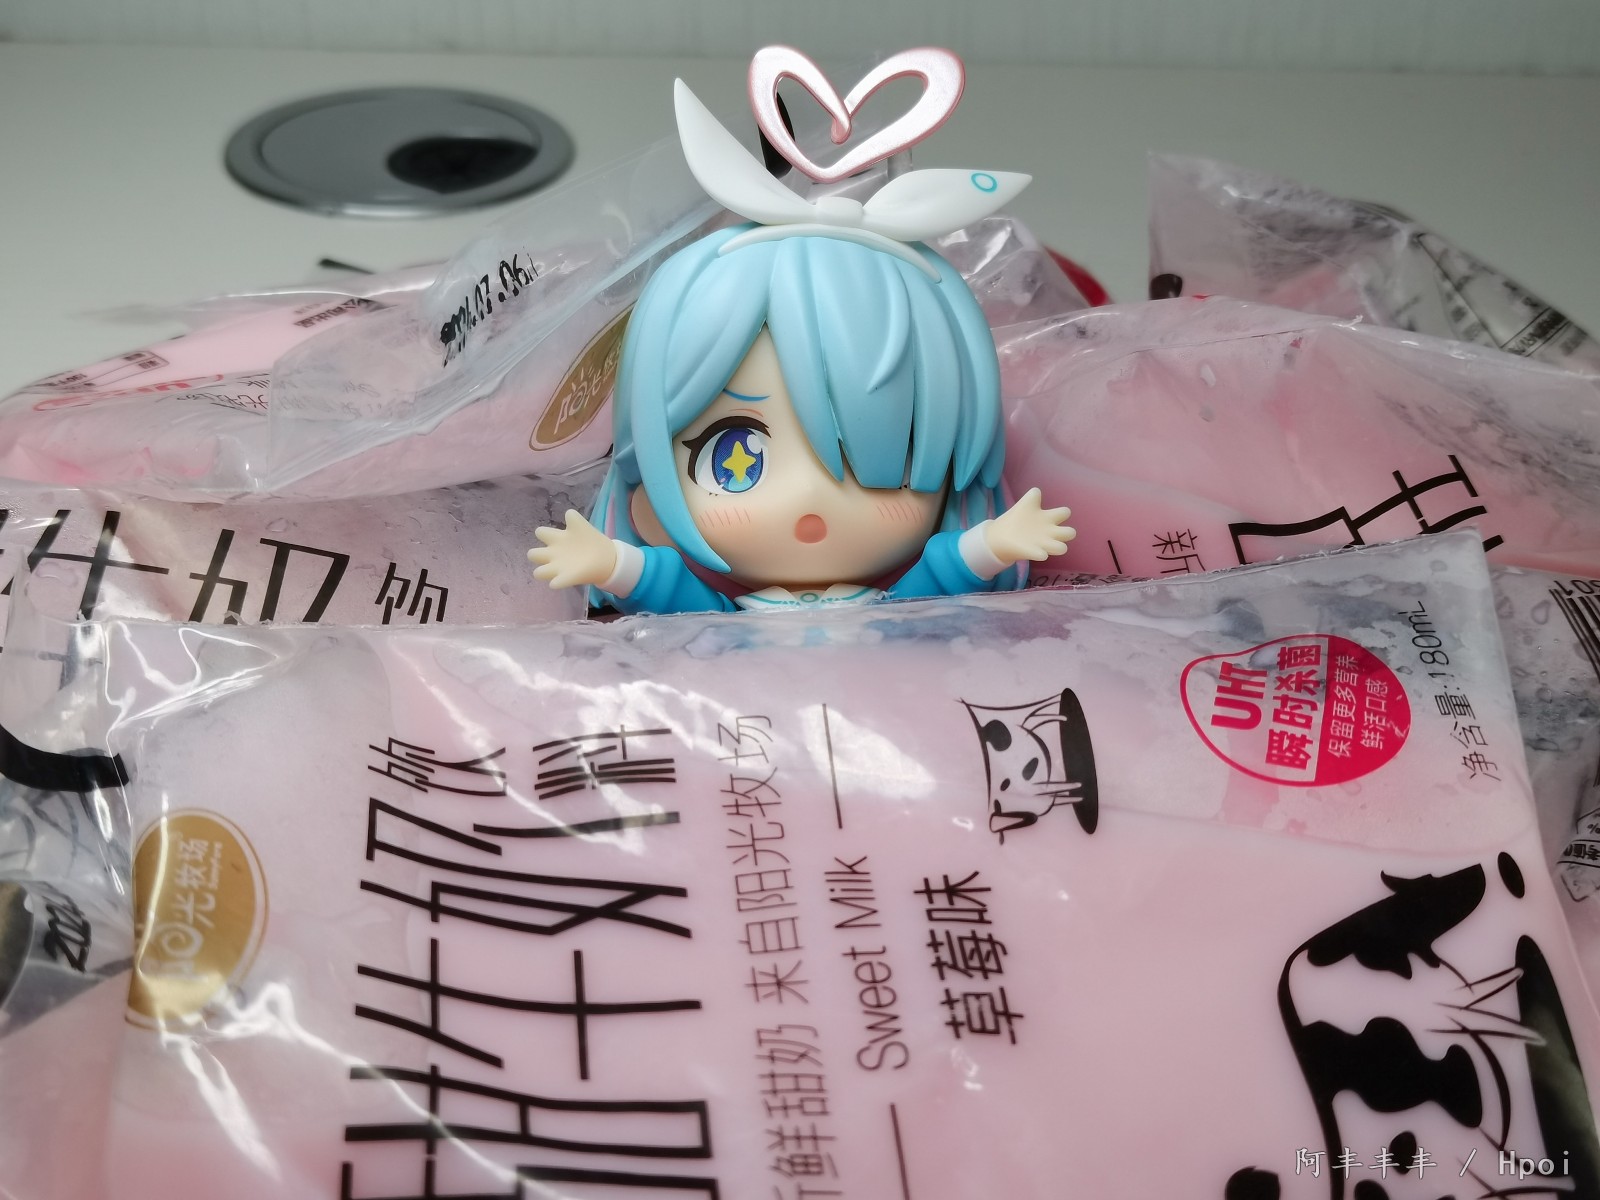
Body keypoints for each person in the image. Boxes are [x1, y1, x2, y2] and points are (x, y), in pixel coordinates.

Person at [528, 67, 1074, 615]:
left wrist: (992, 547)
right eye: (733, 454)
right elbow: (680, 598)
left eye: (887, 460)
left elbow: (935, 578)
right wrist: (615, 566)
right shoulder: (731, 612)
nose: (810, 498)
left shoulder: (890, 603)